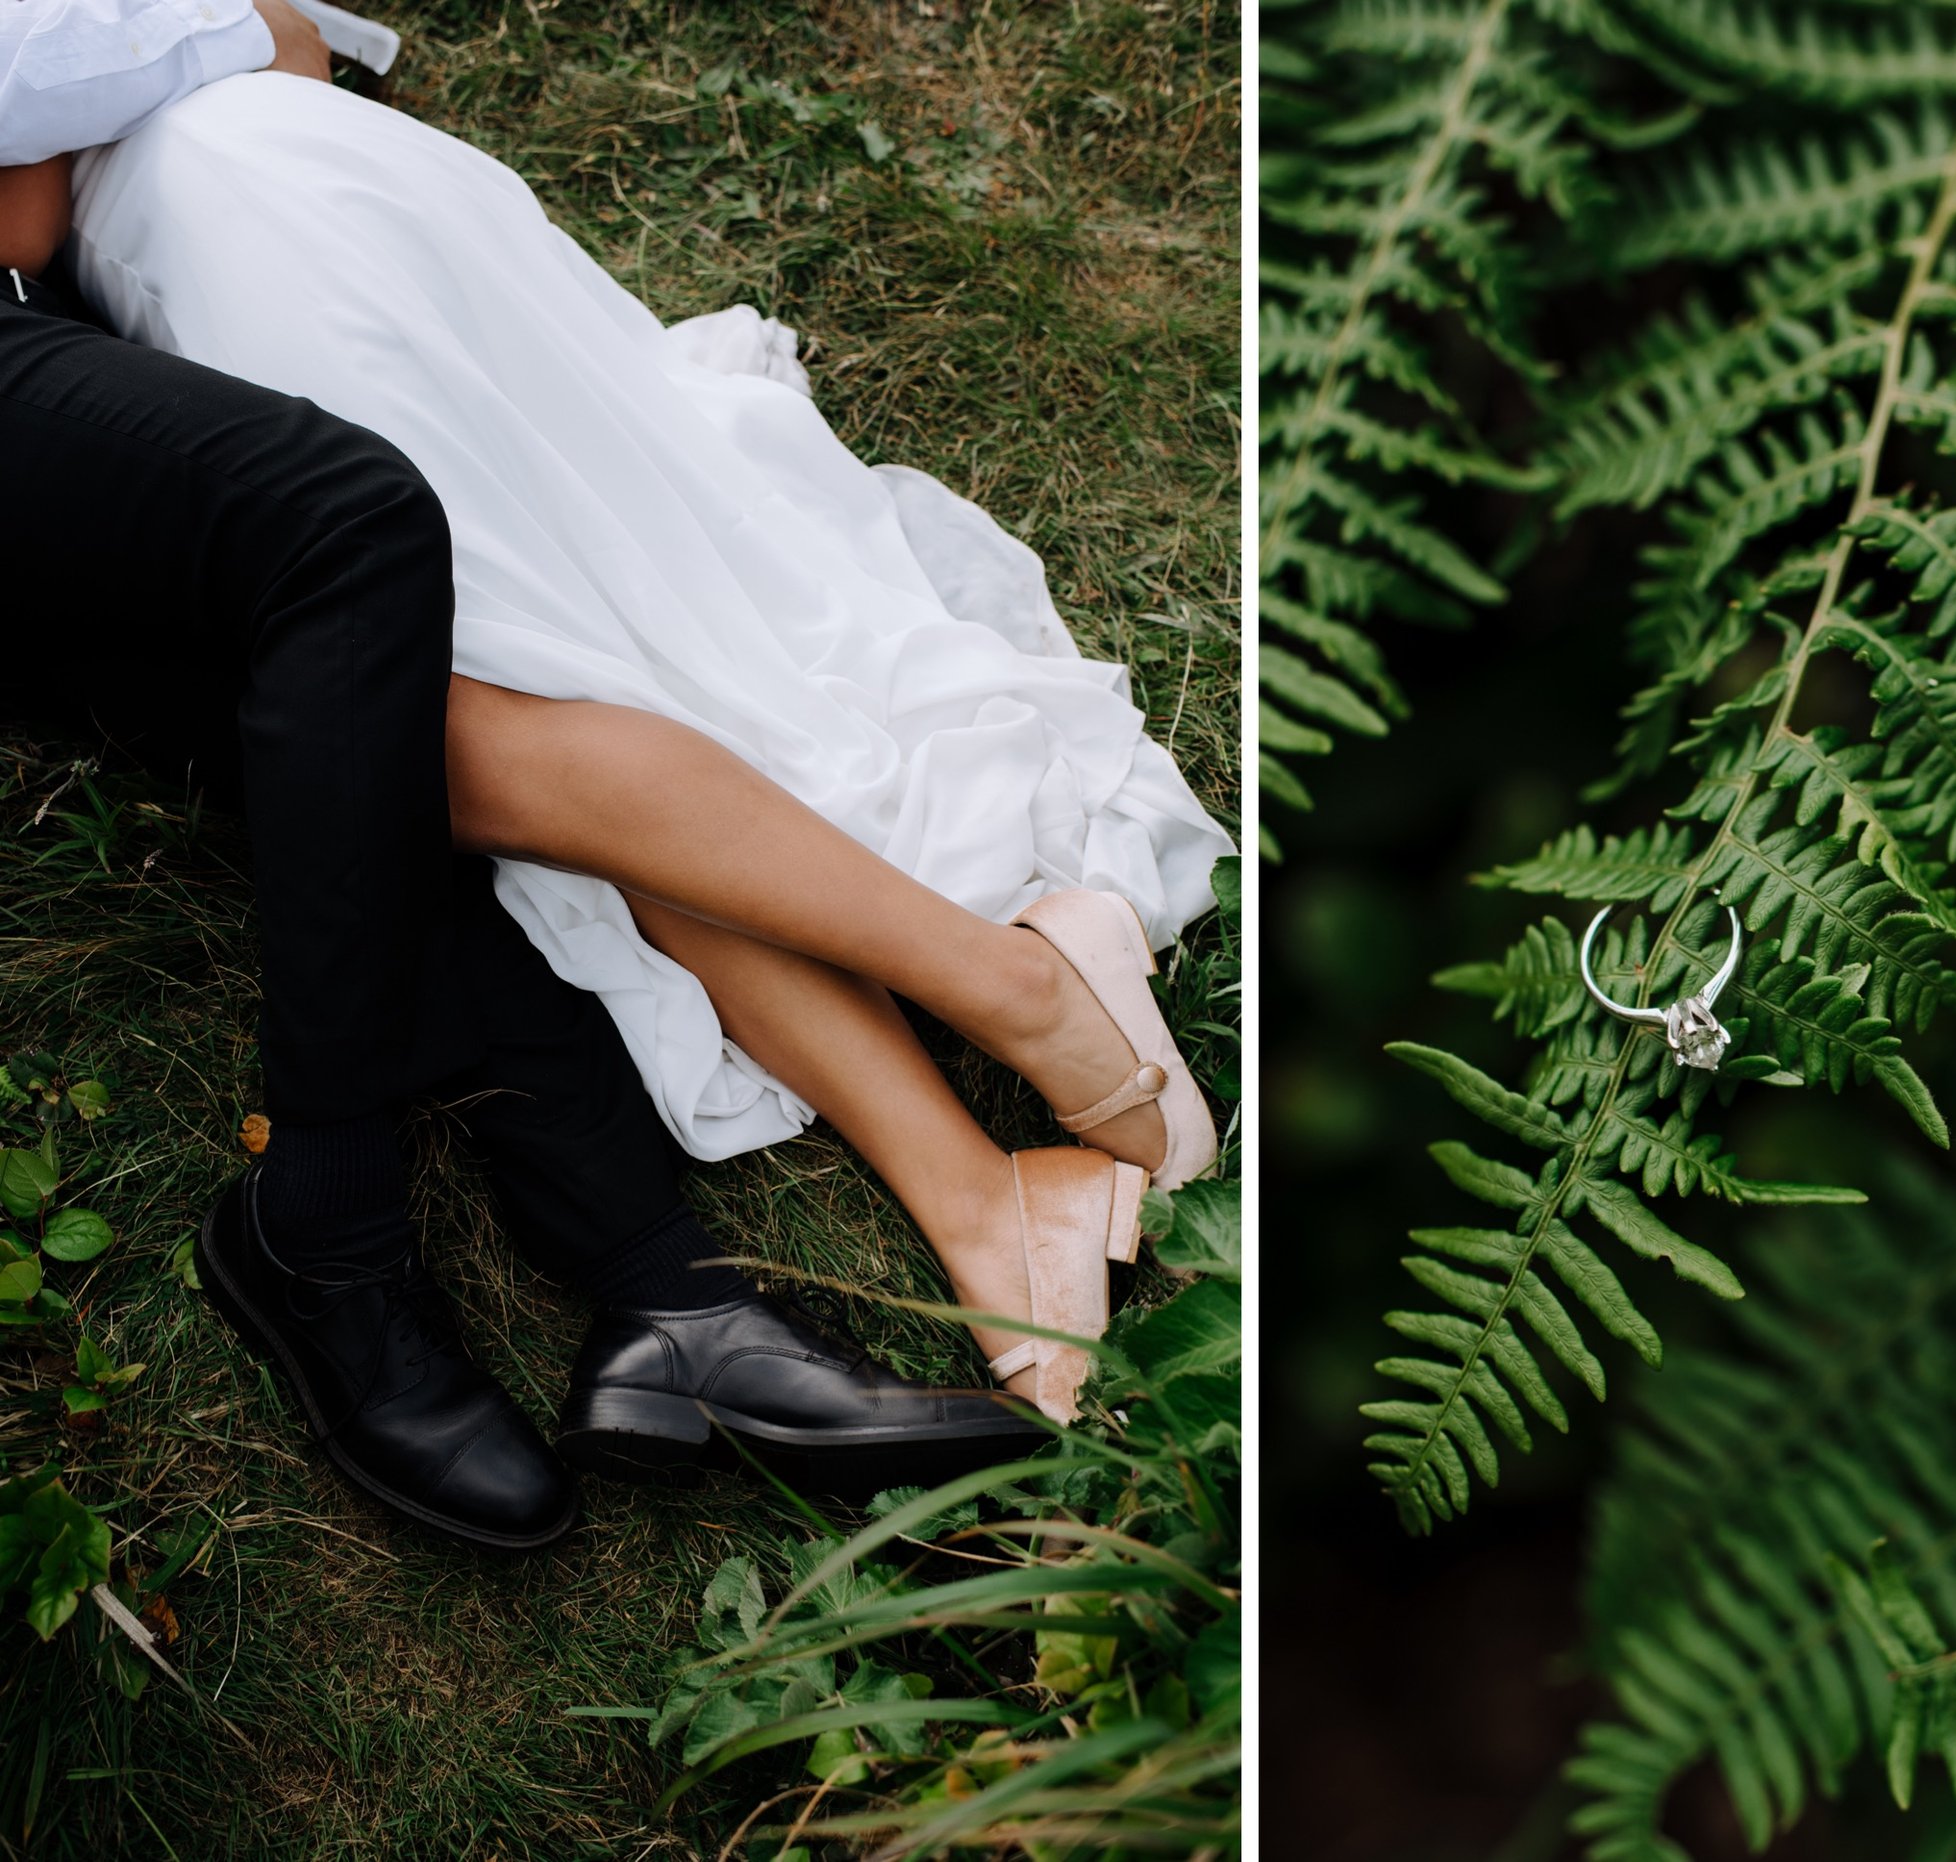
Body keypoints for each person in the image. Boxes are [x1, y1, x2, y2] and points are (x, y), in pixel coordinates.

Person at [0, 0, 1186, 1555]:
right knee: (453, 722)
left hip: (227, 215)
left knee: (460, 717)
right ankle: (776, 1260)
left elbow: (144, 104)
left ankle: (1003, 1013)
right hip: (231, 219)